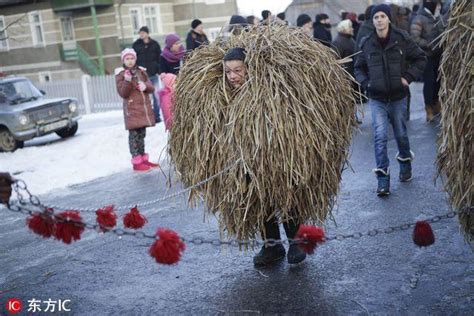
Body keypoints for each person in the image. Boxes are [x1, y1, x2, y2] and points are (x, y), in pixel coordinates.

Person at [223, 47, 307, 266]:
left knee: (285, 195)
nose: (232, 76)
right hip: (245, 162)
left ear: (249, 69)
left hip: (276, 157)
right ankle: (272, 246)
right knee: (260, 202)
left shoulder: (265, 91)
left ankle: (295, 242)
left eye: (238, 70)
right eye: (228, 72)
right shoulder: (225, 95)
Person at [355, 4, 425, 196]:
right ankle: (383, 179)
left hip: (397, 97)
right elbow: (358, 68)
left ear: (388, 18)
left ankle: (405, 164)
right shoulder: (367, 42)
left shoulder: (401, 39)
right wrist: (366, 83)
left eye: (382, 16)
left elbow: (420, 58)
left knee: (401, 134)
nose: (379, 20)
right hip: (377, 98)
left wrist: (407, 78)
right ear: (372, 20)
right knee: (379, 136)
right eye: (375, 17)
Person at [116, 48, 159, 173]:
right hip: (132, 110)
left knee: (141, 135)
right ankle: (136, 162)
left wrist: (146, 86)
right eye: (127, 59)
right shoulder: (121, 75)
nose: (130, 61)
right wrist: (127, 81)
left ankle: (143, 159)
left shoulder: (141, 71)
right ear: (123, 60)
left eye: (132, 58)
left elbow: (151, 86)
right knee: (134, 136)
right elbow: (123, 93)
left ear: (135, 59)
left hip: (142, 109)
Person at [410, 0, 443, 122]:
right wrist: (429, 45)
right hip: (426, 56)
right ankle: (428, 107)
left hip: (438, 55)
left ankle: (436, 103)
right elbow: (414, 37)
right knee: (429, 83)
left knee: (437, 81)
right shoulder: (420, 18)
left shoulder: (436, 17)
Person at [132, 26, 162, 123]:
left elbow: (159, 58)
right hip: (141, 75)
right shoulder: (136, 45)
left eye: (143, 32)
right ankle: (146, 117)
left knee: (155, 96)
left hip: (153, 74)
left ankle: (156, 116)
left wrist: (159, 70)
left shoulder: (155, 44)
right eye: (140, 33)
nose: (141, 34)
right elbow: (133, 59)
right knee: (143, 97)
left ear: (147, 33)